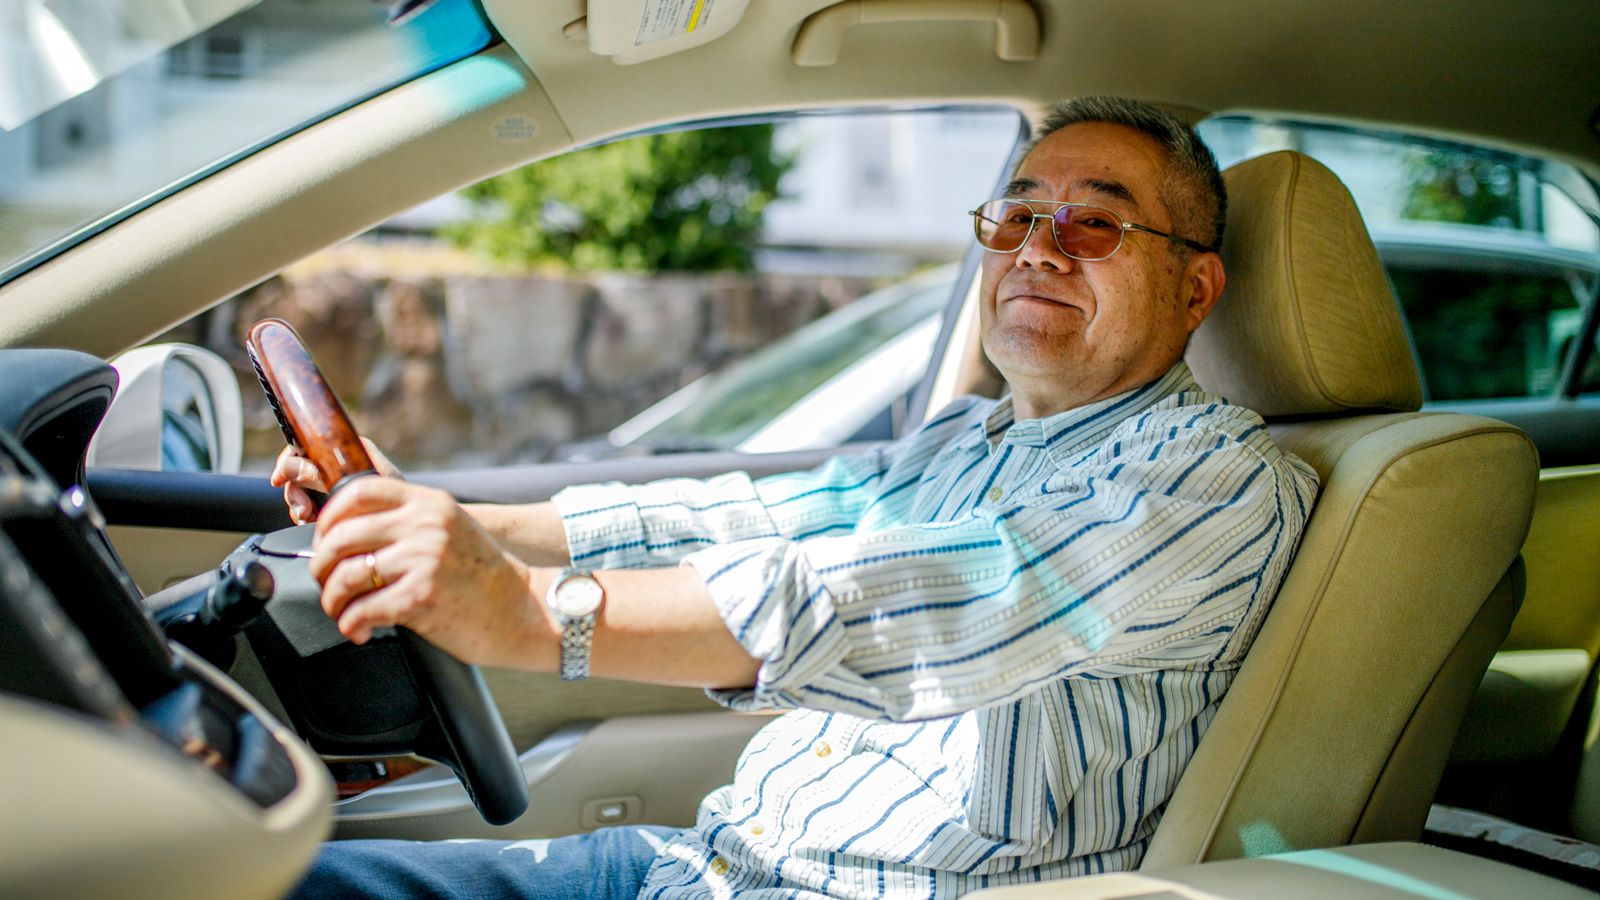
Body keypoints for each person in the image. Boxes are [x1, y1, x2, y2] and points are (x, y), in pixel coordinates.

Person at [281, 96, 1320, 899]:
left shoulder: (1211, 479)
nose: (1037, 248)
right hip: (705, 864)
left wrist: (531, 612)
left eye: (1095, 226)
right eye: (1015, 216)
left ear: (1194, 291)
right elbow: (758, 515)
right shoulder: (969, 435)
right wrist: (458, 521)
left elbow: (921, 599)